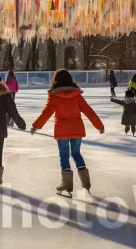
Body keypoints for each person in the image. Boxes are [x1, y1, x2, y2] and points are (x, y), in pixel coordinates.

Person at [31, 69, 105, 197]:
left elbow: (47, 112)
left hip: (62, 129)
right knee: (76, 153)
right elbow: (88, 110)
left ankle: (66, 183)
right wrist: (99, 125)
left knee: (64, 155)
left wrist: (36, 125)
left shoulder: (54, 96)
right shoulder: (76, 95)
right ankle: (86, 182)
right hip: (77, 129)